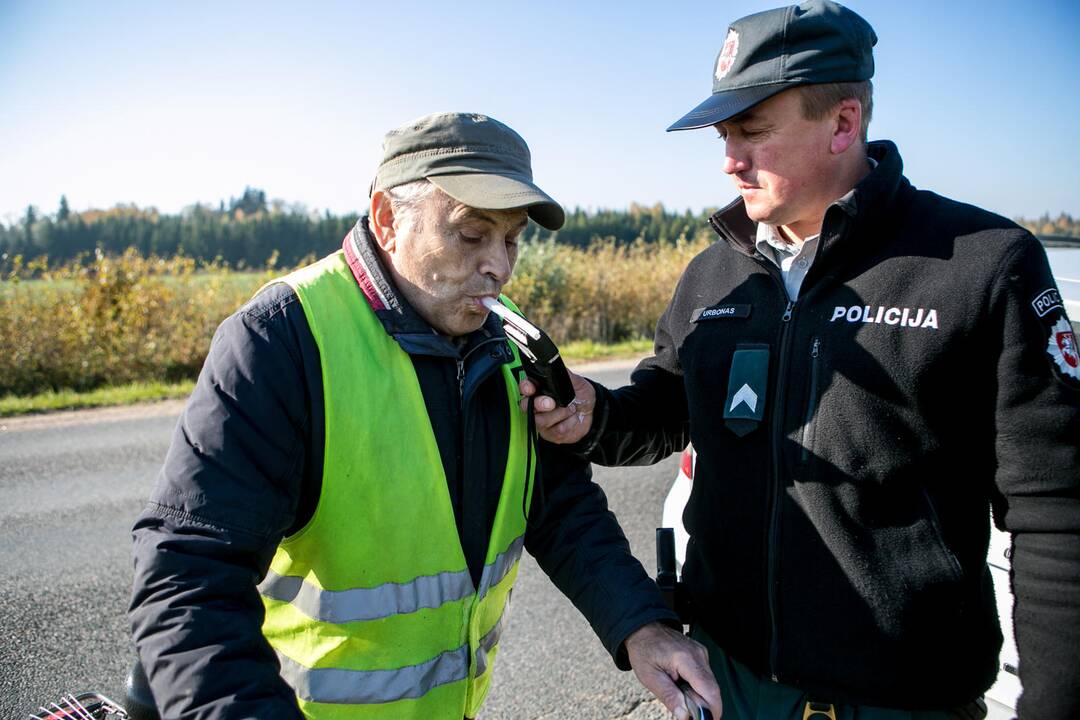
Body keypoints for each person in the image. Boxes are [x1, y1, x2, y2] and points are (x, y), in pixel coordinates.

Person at [525, 2, 1080, 718]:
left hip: (904, 703)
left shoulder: (981, 265)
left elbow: (1056, 513)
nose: (730, 160)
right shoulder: (713, 275)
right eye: (725, 135)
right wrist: (596, 415)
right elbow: (665, 413)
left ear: (843, 123)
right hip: (729, 686)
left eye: (752, 132)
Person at [128, 112, 721, 720]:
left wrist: (641, 626)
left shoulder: (507, 343)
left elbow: (556, 504)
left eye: (512, 239)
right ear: (388, 219)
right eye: (471, 234)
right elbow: (189, 579)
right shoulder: (282, 340)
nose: (499, 265)